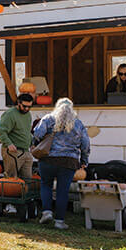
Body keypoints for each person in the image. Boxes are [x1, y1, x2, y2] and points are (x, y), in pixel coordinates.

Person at [32, 97, 90, 230]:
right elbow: (85, 144)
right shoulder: (78, 123)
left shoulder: (48, 119)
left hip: (48, 159)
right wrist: (84, 160)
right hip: (69, 161)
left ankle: (46, 212)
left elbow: (37, 134)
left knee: (46, 184)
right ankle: (59, 221)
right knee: (62, 191)